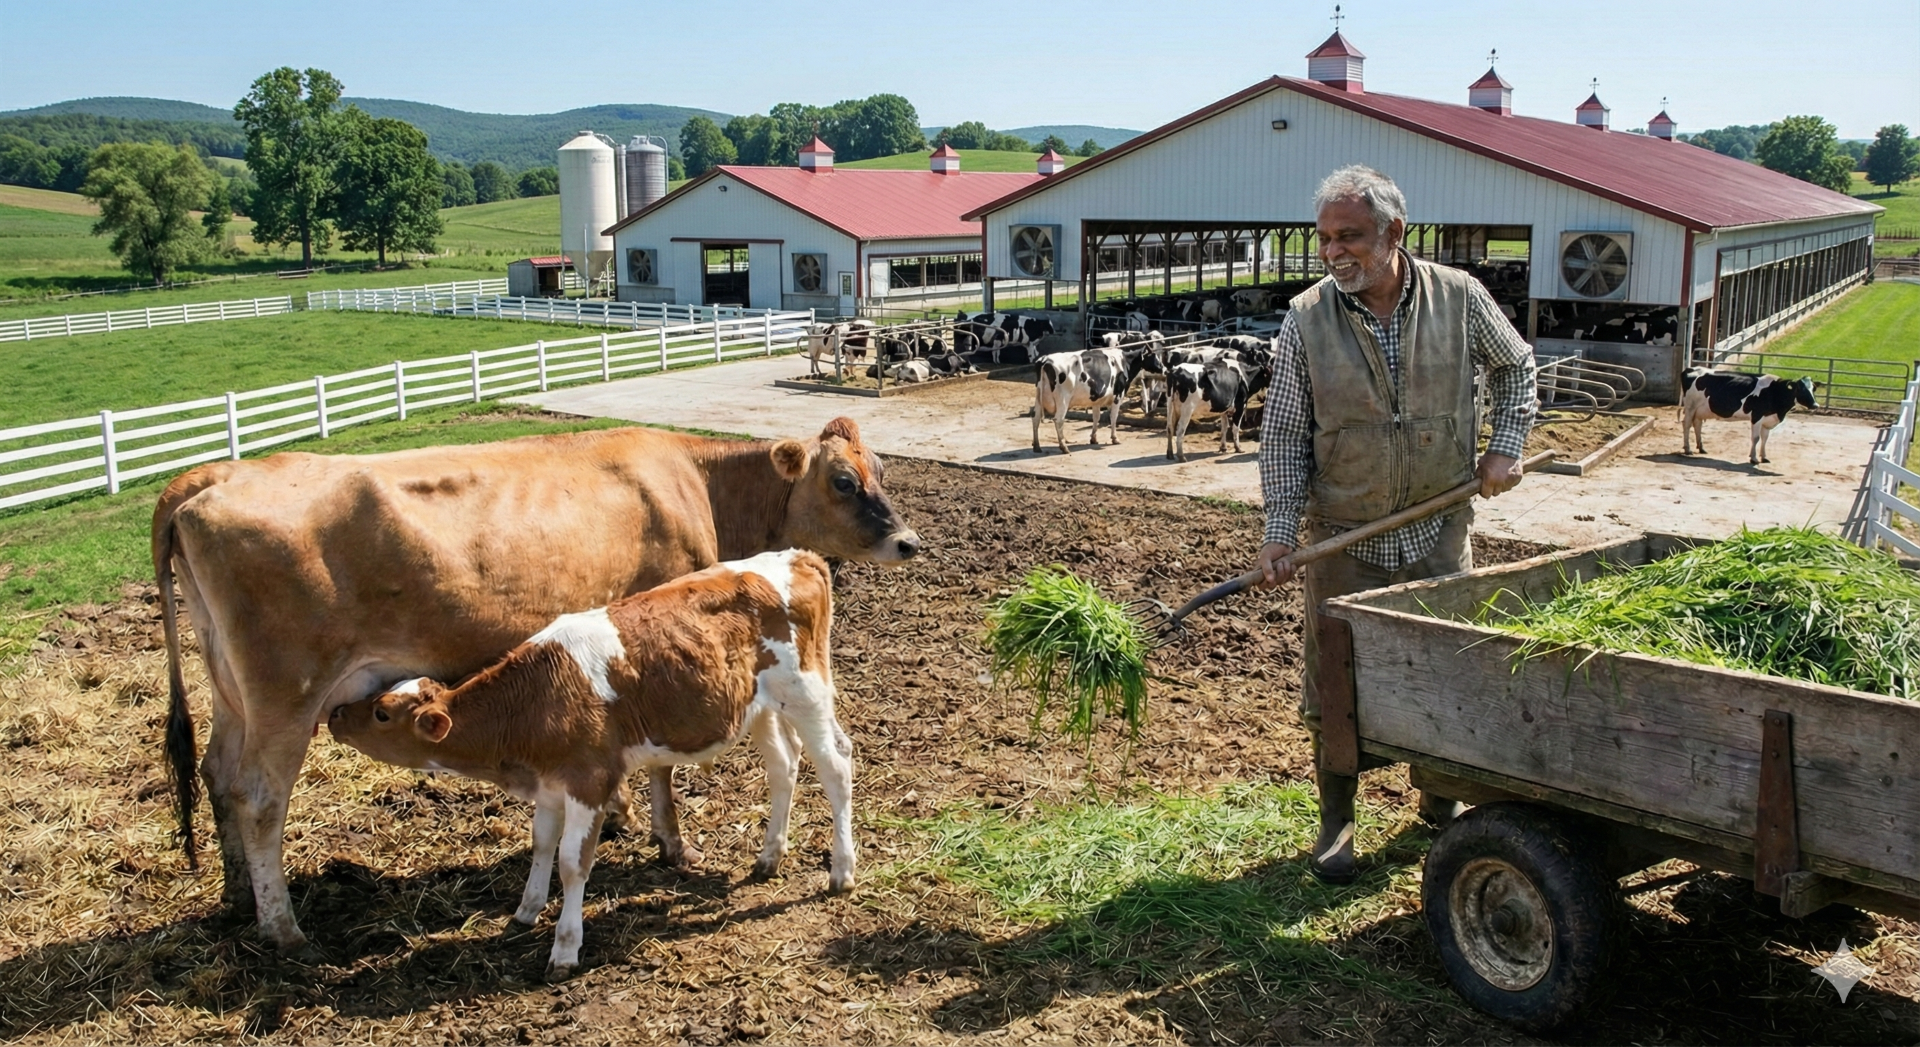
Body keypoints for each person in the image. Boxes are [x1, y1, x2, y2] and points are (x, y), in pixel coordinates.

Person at [1256, 165, 1536, 884]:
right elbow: (1285, 432)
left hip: (1439, 528)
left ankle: (1437, 809)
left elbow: (1517, 366)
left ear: (1394, 232)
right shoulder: (1307, 316)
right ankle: (1337, 816)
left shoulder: (1460, 297)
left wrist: (1506, 446)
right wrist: (1281, 532)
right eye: (1324, 238)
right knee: (1337, 684)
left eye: (1349, 236)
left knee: (1448, 673)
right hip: (1345, 534)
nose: (1333, 251)